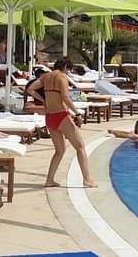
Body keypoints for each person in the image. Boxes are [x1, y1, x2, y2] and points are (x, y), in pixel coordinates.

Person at [28, 58, 96, 188]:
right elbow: (65, 97)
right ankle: (87, 179)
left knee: (59, 150)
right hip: (61, 115)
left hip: (50, 117)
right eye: (68, 70)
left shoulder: (46, 77)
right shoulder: (62, 77)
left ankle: (49, 180)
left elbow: (30, 89)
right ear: (65, 67)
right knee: (80, 146)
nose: (68, 72)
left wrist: (44, 100)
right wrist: (77, 113)